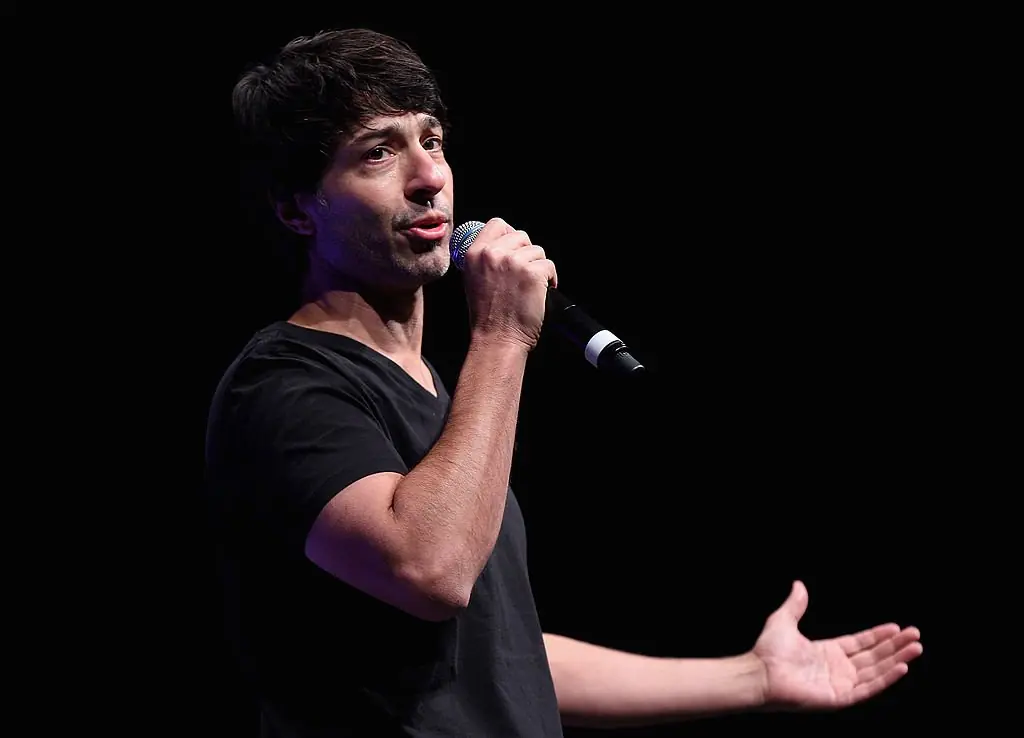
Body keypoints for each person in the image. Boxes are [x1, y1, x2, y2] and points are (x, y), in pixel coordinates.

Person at [204, 27, 923, 737]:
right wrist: (503, 335)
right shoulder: (281, 386)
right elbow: (431, 569)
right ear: (295, 208)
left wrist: (754, 678)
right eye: (378, 153)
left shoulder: (437, 397)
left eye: (433, 140)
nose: (429, 177)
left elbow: (499, 660)